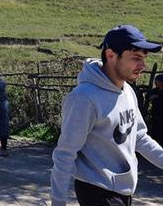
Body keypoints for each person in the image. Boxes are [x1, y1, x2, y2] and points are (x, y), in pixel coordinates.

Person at [50, 25, 163, 206]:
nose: (143, 66)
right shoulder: (84, 98)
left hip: (123, 190)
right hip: (97, 191)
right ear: (111, 55)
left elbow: (139, 137)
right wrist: (58, 202)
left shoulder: (127, 91)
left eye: (144, 58)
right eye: (136, 58)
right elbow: (65, 153)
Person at [147, 74, 163, 145]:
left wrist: (158, 96)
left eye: (157, 81)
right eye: (155, 81)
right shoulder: (155, 91)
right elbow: (148, 96)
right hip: (155, 115)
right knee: (155, 131)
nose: (155, 83)